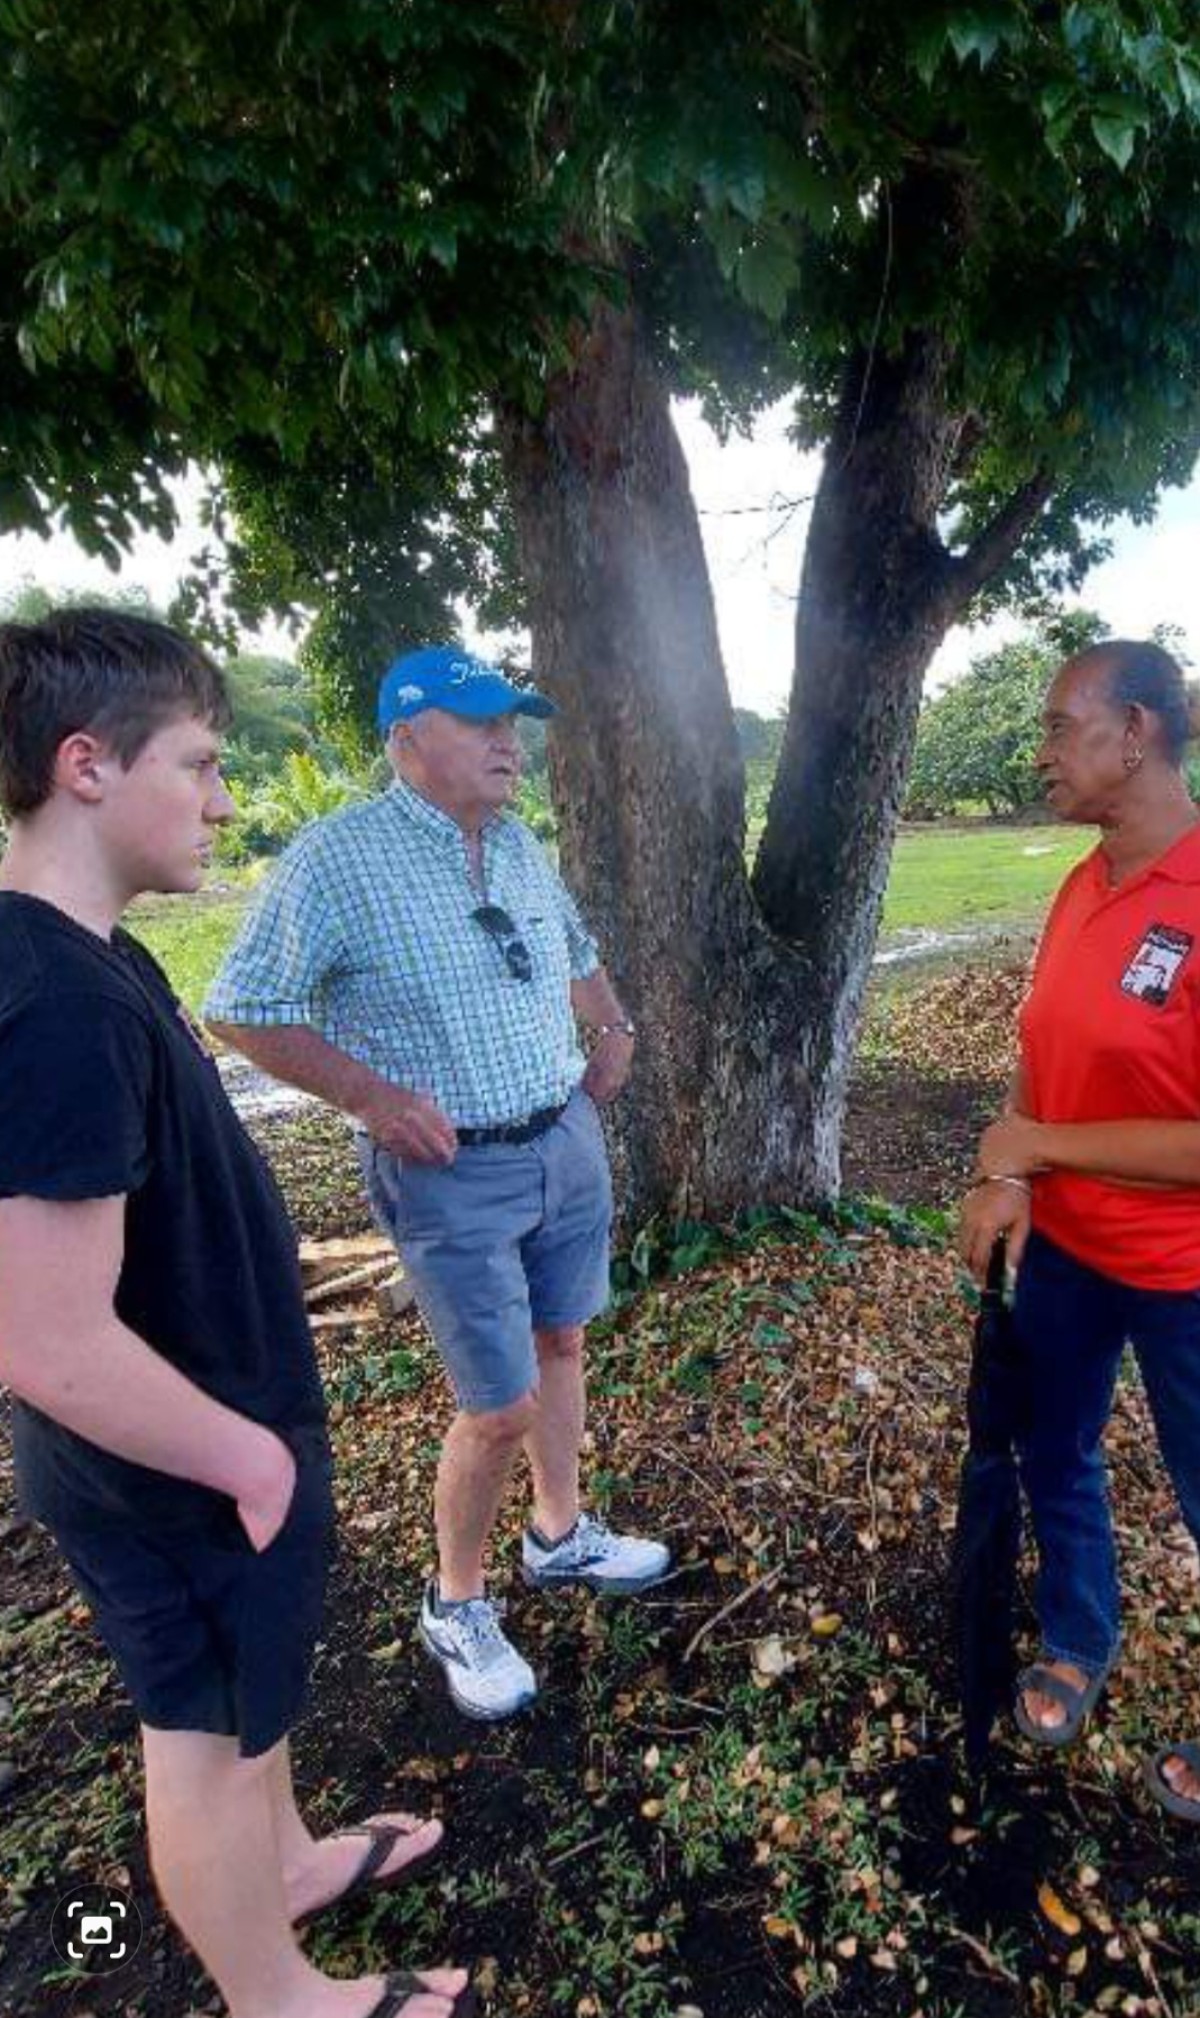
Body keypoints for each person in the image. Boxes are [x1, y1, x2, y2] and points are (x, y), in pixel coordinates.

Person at [0, 610, 472, 2018]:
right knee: (199, 1737)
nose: (222, 798)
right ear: (86, 764)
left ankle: (293, 1862)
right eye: (200, 764)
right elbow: (43, 1337)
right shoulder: (53, 1005)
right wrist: (247, 1459)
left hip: (205, 1437)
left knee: (248, 1701)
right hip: (176, 1465)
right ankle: (281, 1997)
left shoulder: (93, 955)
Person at [207, 644, 670, 1722]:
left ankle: (559, 1534)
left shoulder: (515, 843)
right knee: (497, 1405)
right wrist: (371, 1096)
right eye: (482, 722)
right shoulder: (338, 858)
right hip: (448, 1170)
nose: (511, 743)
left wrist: (611, 1023)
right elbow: (243, 1005)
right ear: (407, 739)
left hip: (562, 1137)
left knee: (563, 1341)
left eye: (513, 722)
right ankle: (453, 1600)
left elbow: (575, 945)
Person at [959, 638, 1200, 1821]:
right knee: (1056, 1449)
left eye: (1060, 725)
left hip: (1185, 1272)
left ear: (1137, 733)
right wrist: (1009, 1171)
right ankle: (1078, 1631)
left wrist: (1038, 1146)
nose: (1040, 749)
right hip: (1067, 1253)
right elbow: (1041, 1053)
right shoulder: (1082, 885)